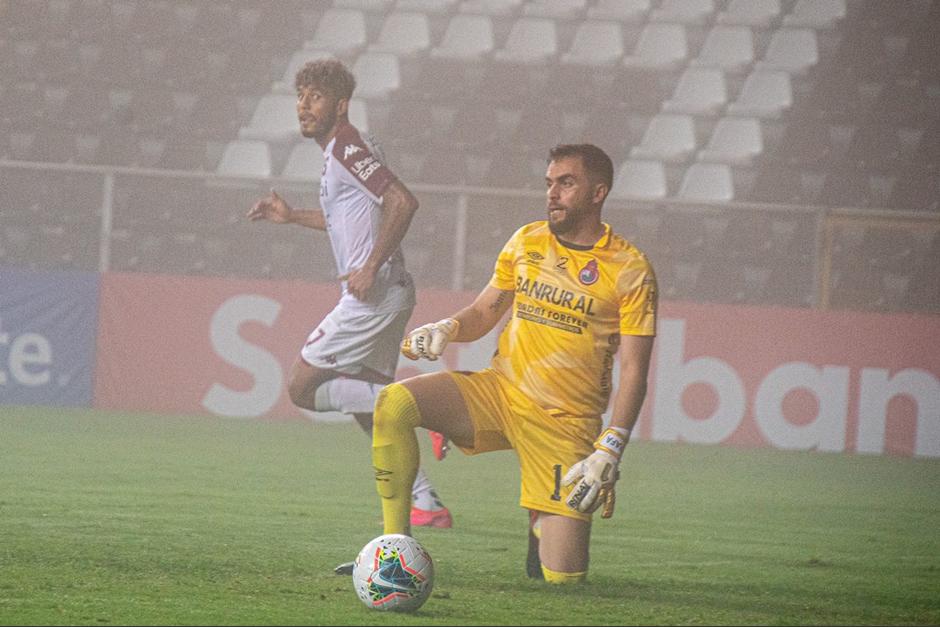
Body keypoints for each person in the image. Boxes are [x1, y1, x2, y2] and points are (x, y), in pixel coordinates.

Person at [367, 144, 657, 583]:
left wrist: (610, 448)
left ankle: (542, 522)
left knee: (562, 581)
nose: (552, 193)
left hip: (565, 423)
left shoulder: (630, 269)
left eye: (566, 182)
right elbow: (484, 312)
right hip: (500, 393)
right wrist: (448, 326)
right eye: (549, 183)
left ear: (598, 193)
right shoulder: (527, 241)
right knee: (393, 403)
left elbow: (635, 368)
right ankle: (395, 552)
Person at [246, 60, 453, 572]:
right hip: (388, 293)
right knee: (373, 415)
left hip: (372, 296)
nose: (303, 105)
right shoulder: (341, 152)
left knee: (301, 388)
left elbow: (403, 202)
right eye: (300, 96)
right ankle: (425, 506)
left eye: (315, 96)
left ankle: (430, 408)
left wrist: (370, 265)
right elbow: (348, 216)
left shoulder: (347, 147)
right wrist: (292, 216)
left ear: (339, 104)